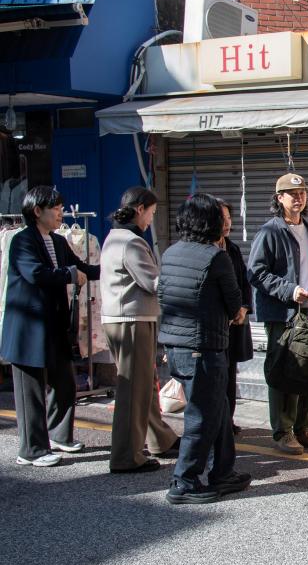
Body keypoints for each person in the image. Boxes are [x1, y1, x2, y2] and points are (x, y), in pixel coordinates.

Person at [158, 193, 250, 504]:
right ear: (210, 223)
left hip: (176, 344)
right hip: (204, 346)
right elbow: (235, 305)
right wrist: (236, 313)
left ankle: (223, 472)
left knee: (219, 410)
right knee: (201, 415)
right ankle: (184, 481)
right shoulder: (215, 257)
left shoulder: (170, 253)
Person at [2, 187, 99, 467]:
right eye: (55, 208)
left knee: (64, 383)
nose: (61, 213)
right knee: (30, 391)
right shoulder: (21, 241)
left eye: (61, 207)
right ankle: (31, 450)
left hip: (54, 325)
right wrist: (70, 275)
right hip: (28, 328)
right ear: (37, 212)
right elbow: (35, 274)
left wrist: (109, 269)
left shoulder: (57, 241)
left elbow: (81, 267)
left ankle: (59, 436)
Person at [247, 173, 308, 455]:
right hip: (283, 312)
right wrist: (288, 290)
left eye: (302, 192)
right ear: (279, 198)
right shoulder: (270, 231)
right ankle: (283, 431)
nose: (298, 198)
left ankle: (304, 428)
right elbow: (255, 272)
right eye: (291, 194)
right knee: (284, 369)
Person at [101, 186, 179, 473]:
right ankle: (126, 456)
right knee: (133, 391)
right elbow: (152, 283)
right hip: (132, 321)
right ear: (140, 209)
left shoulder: (114, 237)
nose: (151, 220)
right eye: (152, 213)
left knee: (143, 386)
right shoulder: (131, 242)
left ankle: (160, 438)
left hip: (121, 318)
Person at [216, 198, 252, 436]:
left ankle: (227, 419)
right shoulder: (204, 249)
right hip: (215, 324)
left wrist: (244, 307)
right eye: (223, 219)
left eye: (229, 218)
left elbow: (244, 283)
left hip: (234, 322)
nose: (227, 224)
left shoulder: (233, 248)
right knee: (216, 375)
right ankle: (217, 422)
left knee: (230, 373)